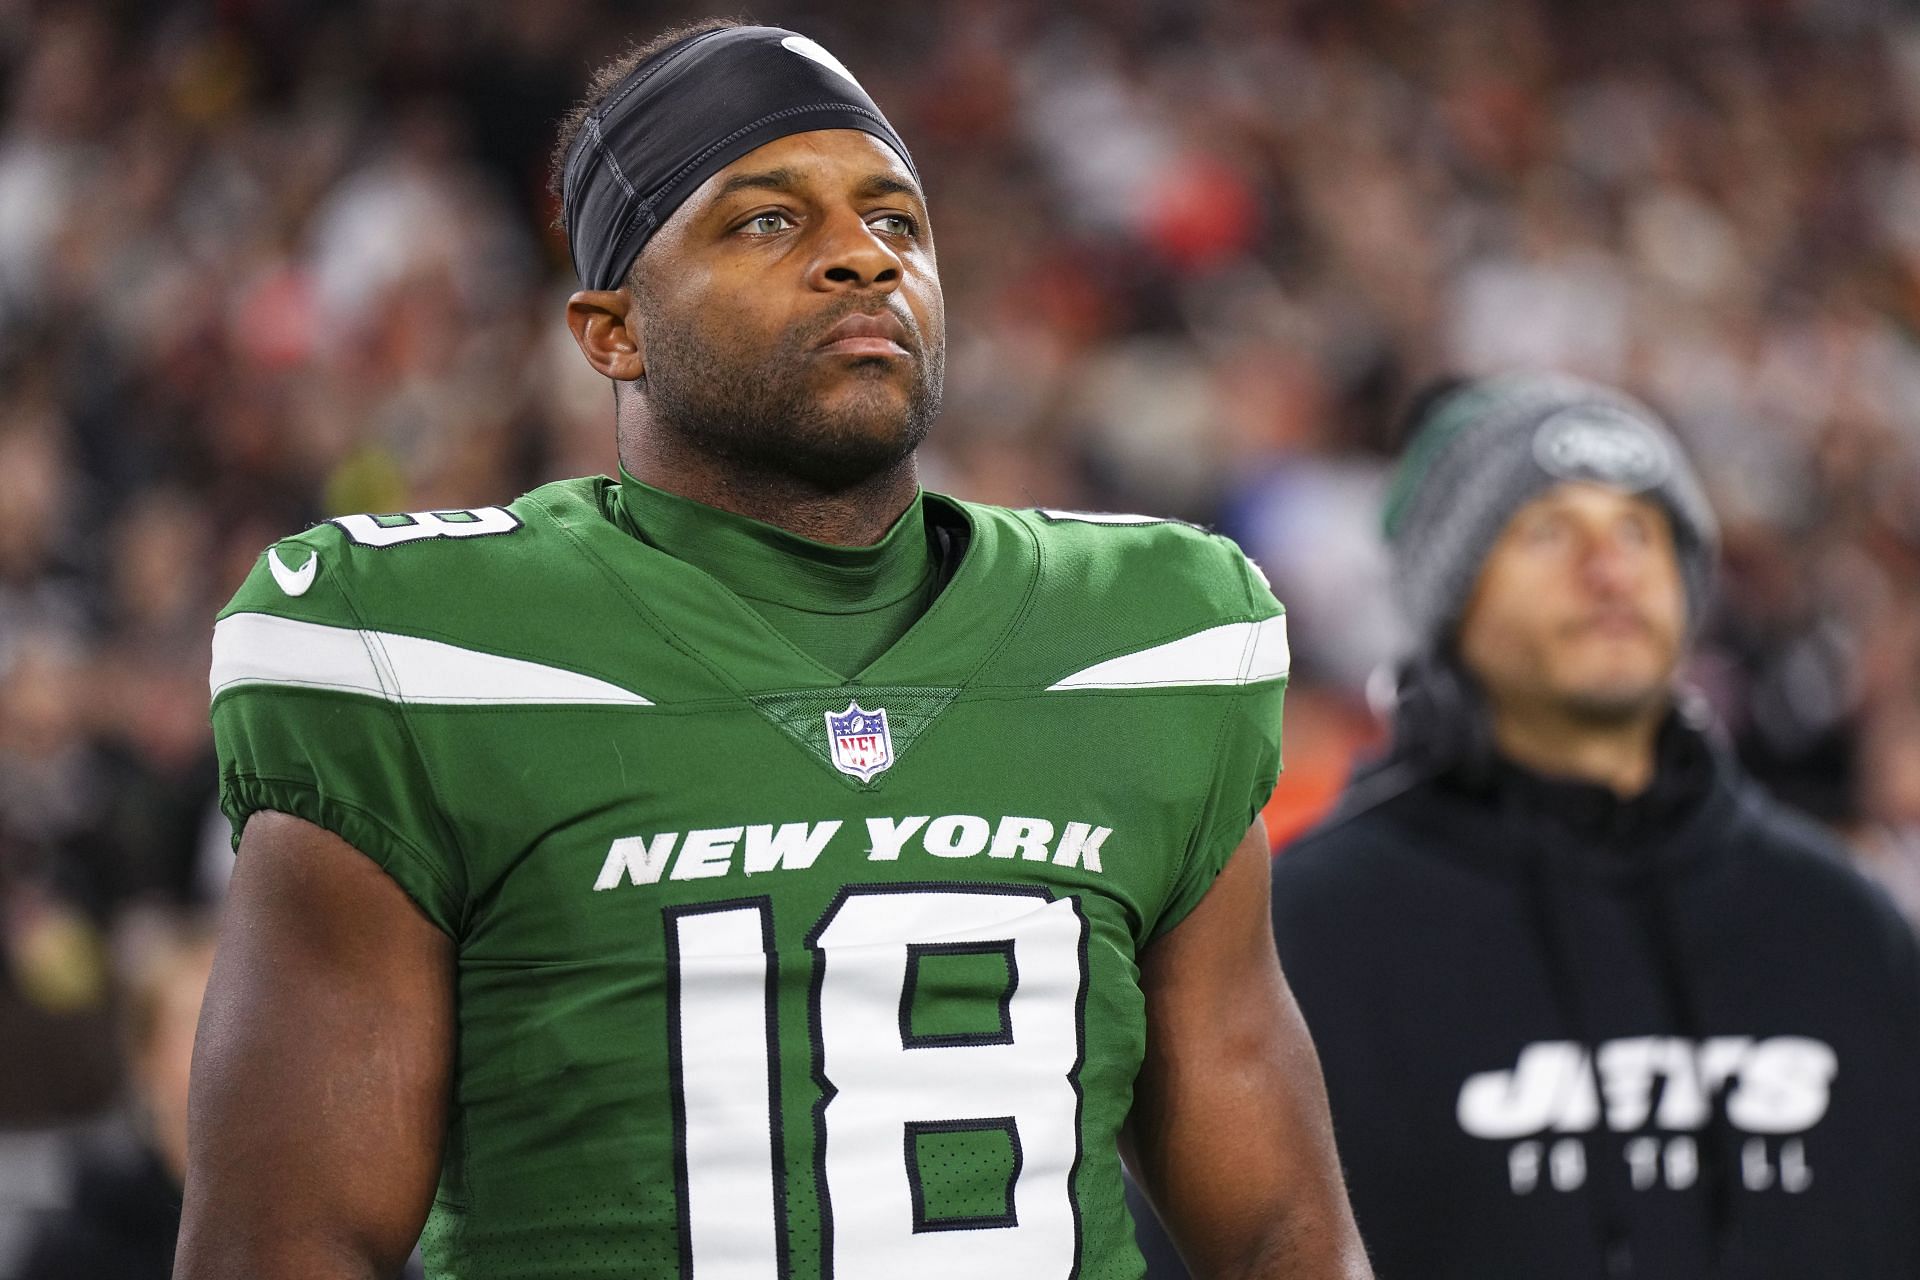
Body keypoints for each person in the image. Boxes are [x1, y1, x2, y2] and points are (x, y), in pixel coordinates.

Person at [174, 21, 1371, 1280]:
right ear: (612, 330)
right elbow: (287, 1242)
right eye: (766, 221)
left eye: (898, 222)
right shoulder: (418, 646)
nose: (862, 258)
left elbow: (1282, 1224)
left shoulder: (1150, 631)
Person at [1261, 374, 1920, 1278]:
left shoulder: (1841, 923)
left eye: (1640, 531)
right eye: (1547, 531)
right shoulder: (1306, 932)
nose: (1610, 569)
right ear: (1450, 593)